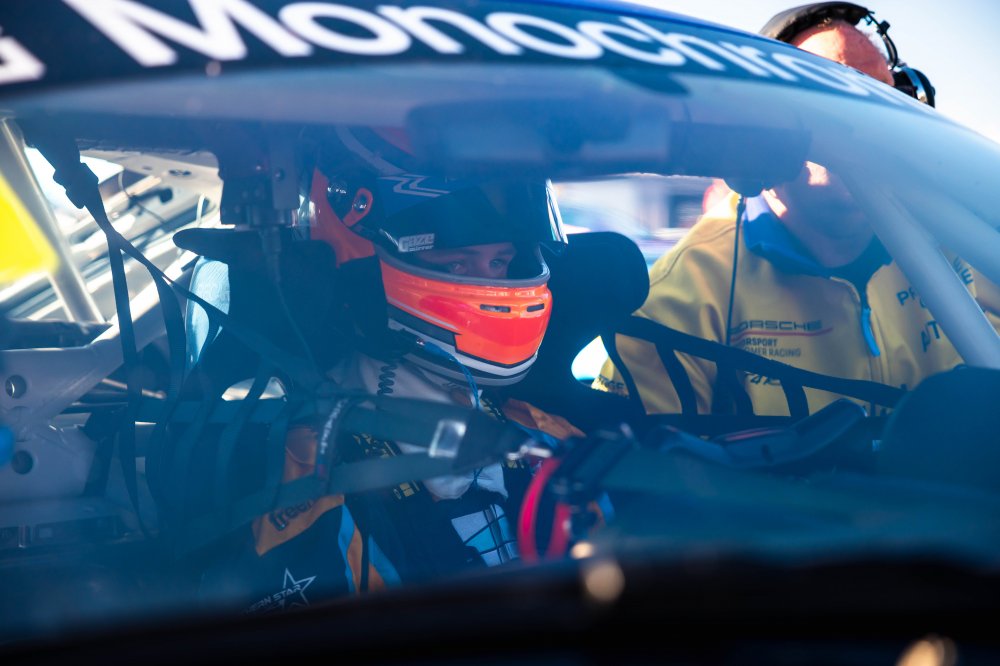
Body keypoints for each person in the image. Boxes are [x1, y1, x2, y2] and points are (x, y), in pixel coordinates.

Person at [198, 151, 585, 614]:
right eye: (458, 265)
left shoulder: (546, 437)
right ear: (364, 273)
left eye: (500, 262)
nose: (494, 285)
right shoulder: (315, 471)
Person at [593, 4, 1000, 418]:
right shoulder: (680, 297)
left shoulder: (961, 241)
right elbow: (632, 451)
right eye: (833, 101)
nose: (868, 129)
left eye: (884, 98)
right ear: (763, 132)